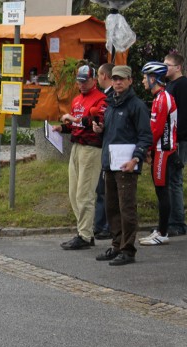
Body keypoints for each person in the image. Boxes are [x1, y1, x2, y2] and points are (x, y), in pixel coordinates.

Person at [92, 65, 152, 266]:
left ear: (130, 81)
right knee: (112, 208)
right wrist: (100, 129)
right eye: (115, 79)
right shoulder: (111, 104)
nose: (117, 82)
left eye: (122, 79)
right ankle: (117, 245)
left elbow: (145, 136)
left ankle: (128, 250)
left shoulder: (137, 105)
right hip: (110, 163)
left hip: (127, 165)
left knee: (127, 208)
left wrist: (136, 159)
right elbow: (110, 134)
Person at [52, 64, 107, 250]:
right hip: (76, 146)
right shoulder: (76, 100)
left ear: (94, 80)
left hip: (91, 149)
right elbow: (77, 125)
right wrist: (63, 128)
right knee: (74, 193)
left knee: (85, 194)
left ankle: (84, 235)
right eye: (79, 81)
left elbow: (98, 120)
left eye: (85, 81)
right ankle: (85, 232)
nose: (82, 85)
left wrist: (74, 120)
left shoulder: (101, 99)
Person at [137, 62, 179, 245]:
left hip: (164, 150)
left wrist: (146, 149)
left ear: (152, 78)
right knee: (161, 191)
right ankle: (161, 229)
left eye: (144, 76)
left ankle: (162, 233)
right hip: (161, 149)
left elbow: (156, 130)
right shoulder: (160, 97)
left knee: (162, 191)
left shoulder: (162, 99)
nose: (142, 81)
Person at [164, 53, 187, 236]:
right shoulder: (169, 85)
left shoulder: (182, 85)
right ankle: (170, 218)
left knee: (174, 179)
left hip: (178, 139)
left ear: (178, 67)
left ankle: (177, 222)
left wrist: (178, 138)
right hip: (169, 138)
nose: (165, 68)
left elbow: (183, 114)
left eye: (168, 65)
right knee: (169, 178)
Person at [93, 63, 115, 240]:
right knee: (101, 188)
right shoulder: (105, 96)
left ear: (104, 76)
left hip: (111, 147)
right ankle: (99, 224)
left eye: (99, 75)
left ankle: (107, 225)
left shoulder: (110, 98)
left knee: (107, 188)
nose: (97, 79)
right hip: (103, 144)